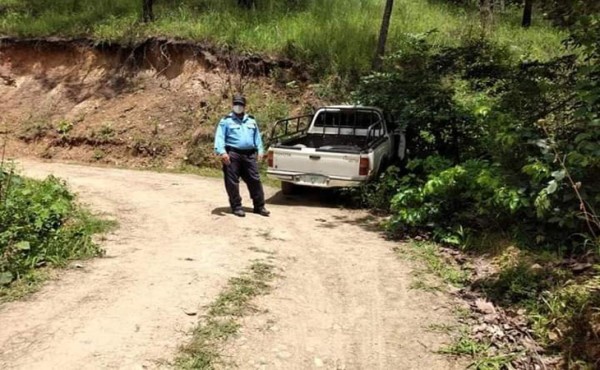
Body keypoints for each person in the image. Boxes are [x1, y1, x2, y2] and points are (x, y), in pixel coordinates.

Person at [214, 94, 270, 217]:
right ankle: (236, 207)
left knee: (254, 180)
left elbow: (257, 137)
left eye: (240, 104)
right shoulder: (226, 121)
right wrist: (222, 152)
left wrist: (260, 150)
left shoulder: (251, 120)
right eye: (236, 104)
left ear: (245, 106)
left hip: (249, 155)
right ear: (232, 105)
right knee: (232, 182)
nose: (238, 107)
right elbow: (219, 137)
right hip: (232, 154)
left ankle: (259, 206)